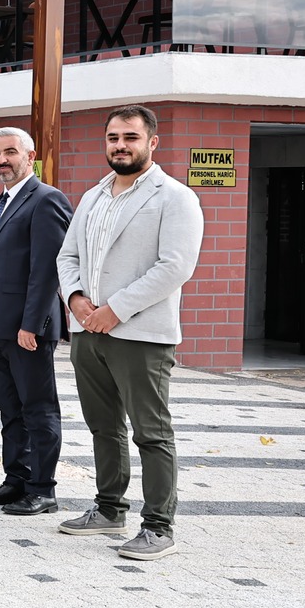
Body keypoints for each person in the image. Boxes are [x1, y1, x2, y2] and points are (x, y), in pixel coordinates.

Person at [56, 106, 205, 560]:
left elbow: (175, 267)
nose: (120, 145)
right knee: (103, 425)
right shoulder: (93, 197)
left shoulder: (175, 197)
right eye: (113, 138)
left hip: (140, 334)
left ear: (152, 142)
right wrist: (77, 300)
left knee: (151, 432)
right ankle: (108, 509)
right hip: (87, 331)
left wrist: (114, 311)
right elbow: (67, 256)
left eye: (131, 138)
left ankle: (159, 526)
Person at [0, 126, 74, 517]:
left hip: (27, 331)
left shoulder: (46, 199)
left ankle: (43, 489)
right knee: (9, 409)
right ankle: (16, 480)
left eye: (10, 152)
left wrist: (31, 326)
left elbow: (47, 270)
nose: (2, 161)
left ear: (30, 157)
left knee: (38, 409)